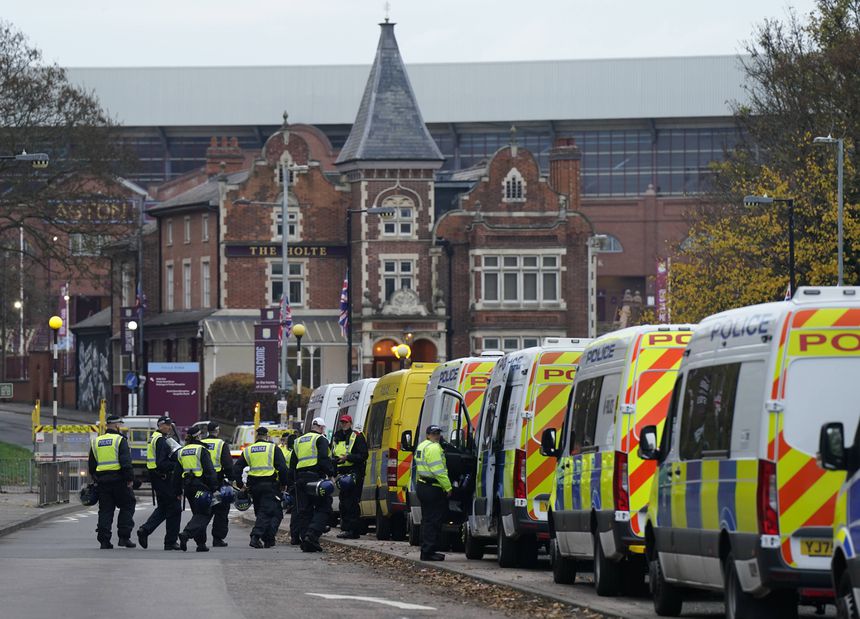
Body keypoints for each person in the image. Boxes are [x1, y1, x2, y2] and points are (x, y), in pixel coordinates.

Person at [232, 426, 289, 548]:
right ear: (267, 436)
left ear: (257, 436)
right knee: (272, 513)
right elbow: (283, 468)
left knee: (261, 512)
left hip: (254, 487)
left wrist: (241, 485)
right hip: (270, 486)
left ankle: (268, 539)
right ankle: (256, 536)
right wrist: (284, 483)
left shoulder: (248, 450)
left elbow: (237, 468)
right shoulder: (273, 448)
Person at [88, 414, 136, 549]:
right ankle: (124, 537)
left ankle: (104, 540)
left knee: (105, 511)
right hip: (119, 481)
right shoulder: (120, 440)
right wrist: (129, 479)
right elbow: (126, 462)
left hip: (103, 482)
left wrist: (97, 479)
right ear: (116, 425)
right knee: (128, 505)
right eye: (120, 425)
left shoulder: (96, 441)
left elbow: (92, 465)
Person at [289, 416, 335, 552]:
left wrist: (292, 483)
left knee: (304, 510)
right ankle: (312, 536)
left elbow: (292, 465)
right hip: (315, 479)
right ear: (321, 428)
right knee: (324, 507)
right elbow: (323, 458)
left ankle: (305, 540)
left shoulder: (298, 441)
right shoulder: (320, 439)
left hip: (300, 480)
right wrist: (331, 474)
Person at [137, 415, 182, 551]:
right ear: (160, 425)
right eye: (166, 425)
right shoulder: (161, 440)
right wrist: (177, 465)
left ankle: (145, 530)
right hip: (164, 478)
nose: (169, 427)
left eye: (170, 425)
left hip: (157, 479)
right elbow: (162, 463)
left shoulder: (154, 437)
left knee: (163, 508)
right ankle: (170, 542)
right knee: (175, 509)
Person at [173, 425, 218, 552]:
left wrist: (177, 491)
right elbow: (209, 470)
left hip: (188, 487)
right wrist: (214, 486)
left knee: (197, 515)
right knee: (204, 514)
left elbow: (176, 474)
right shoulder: (201, 450)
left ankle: (201, 544)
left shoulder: (182, 451)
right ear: (198, 436)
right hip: (201, 487)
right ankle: (186, 534)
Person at [414, 424, 451, 561]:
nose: (437, 436)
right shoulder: (434, 448)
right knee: (433, 521)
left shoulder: (422, 446)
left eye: (438, 433)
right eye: (434, 433)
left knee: (427, 520)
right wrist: (448, 487)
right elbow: (438, 471)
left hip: (422, 485)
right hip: (433, 487)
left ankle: (426, 550)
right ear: (428, 434)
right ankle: (428, 551)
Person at [331, 414, 368, 539]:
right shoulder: (337, 436)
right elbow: (333, 454)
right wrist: (335, 467)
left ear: (350, 423)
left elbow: (363, 455)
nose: (343, 424)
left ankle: (353, 530)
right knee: (344, 502)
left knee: (352, 503)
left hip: (354, 472)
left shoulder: (357, 436)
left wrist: (348, 458)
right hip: (342, 473)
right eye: (342, 422)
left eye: (346, 422)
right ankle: (346, 528)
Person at [201, 420, 233, 547]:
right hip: (218, 481)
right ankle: (217, 538)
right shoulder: (221, 444)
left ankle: (199, 537)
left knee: (203, 510)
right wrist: (231, 479)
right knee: (221, 510)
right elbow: (228, 463)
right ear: (217, 430)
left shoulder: (201, 443)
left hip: (202, 481)